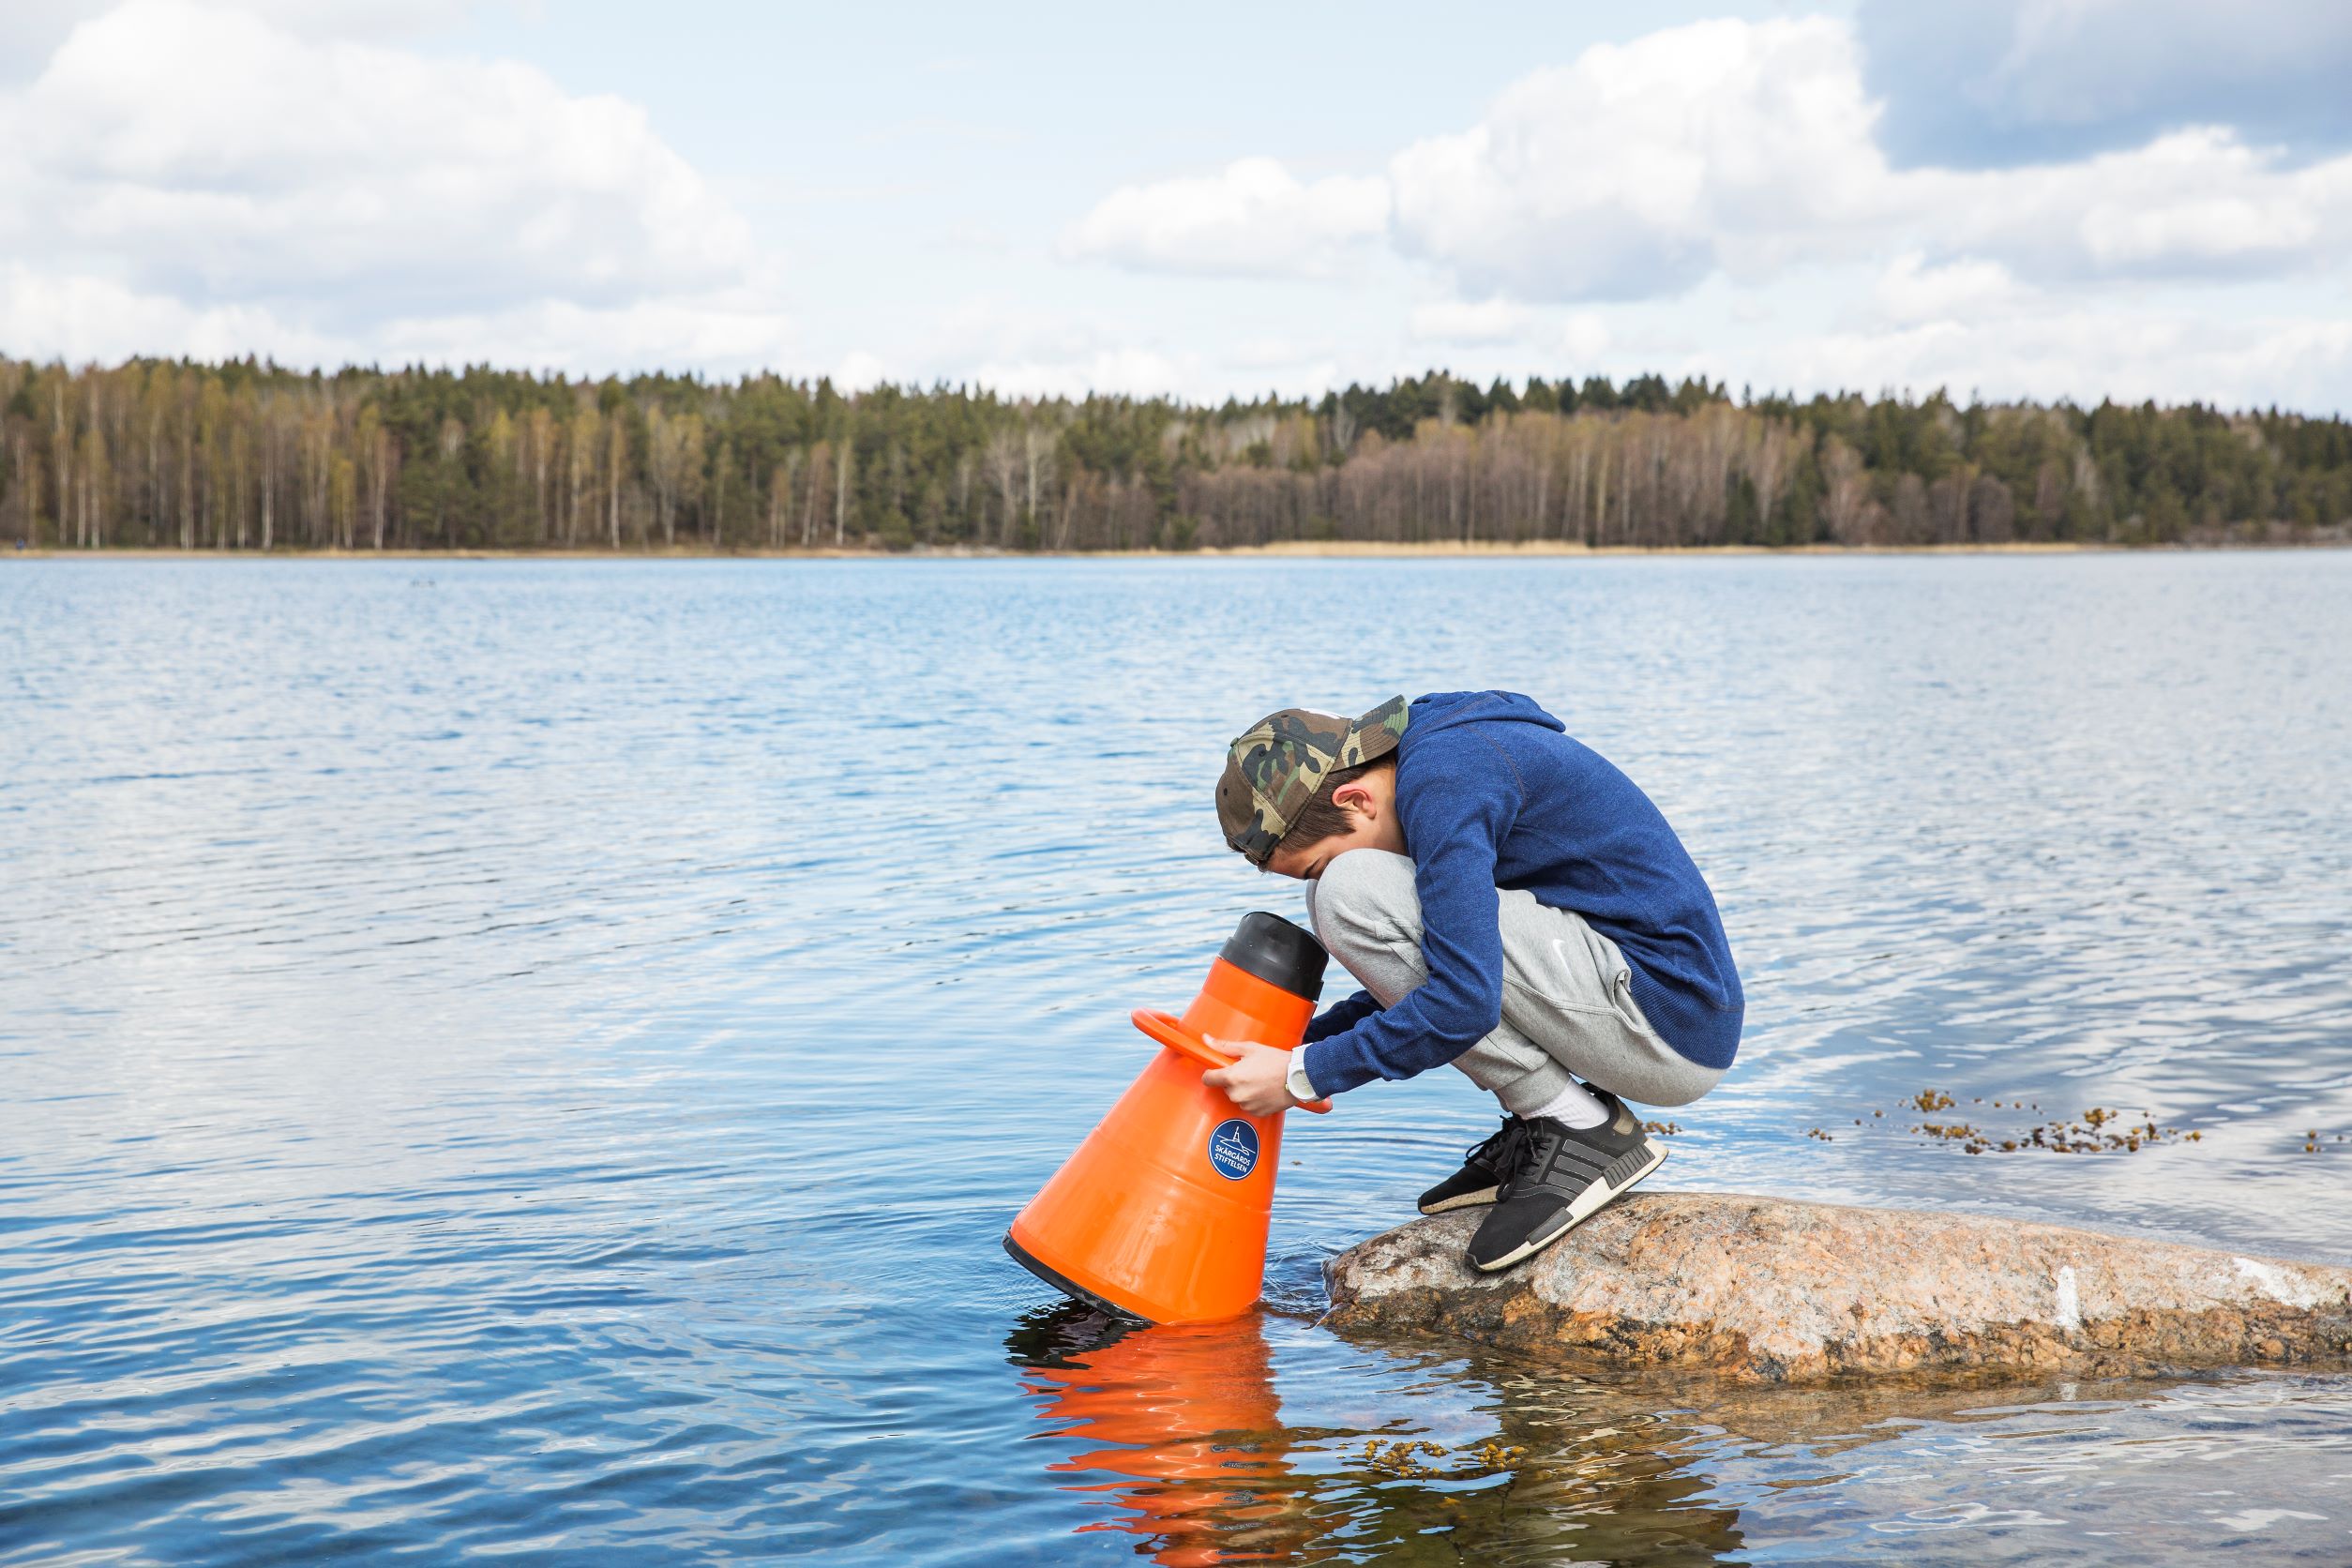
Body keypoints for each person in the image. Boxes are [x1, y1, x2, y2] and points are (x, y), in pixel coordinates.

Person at [1201, 692, 1741, 1272]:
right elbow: (1443, 957)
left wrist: (1301, 1075)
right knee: (1343, 891)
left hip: (1664, 1020)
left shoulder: (1445, 779)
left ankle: (1576, 1125)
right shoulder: (1432, 760)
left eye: (1317, 858)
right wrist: (1296, 1043)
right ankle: (1549, 1119)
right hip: (1625, 993)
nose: (1322, 874)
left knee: (1348, 892)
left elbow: (1464, 1000)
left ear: (1354, 798)